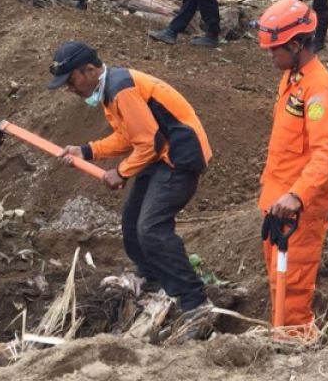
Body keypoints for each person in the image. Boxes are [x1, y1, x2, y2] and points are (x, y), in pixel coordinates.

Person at [52, 41, 212, 315]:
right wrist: (87, 151)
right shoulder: (111, 89)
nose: (70, 88)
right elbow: (130, 136)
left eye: (71, 80)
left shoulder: (120, 89)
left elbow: (148, 142)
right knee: (131, 221)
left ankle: (195, 301)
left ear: (90, 70)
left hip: (179, 157)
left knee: (151, 228)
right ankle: (149, 276)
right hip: (161, 155)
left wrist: (122, 172)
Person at [255, 0, 328, 331]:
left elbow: (324, 156)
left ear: (295, 44)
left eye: (274, 49)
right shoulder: (292, 78)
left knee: (292, 290)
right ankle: (282, 336)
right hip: (276, 204)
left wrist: (297, 196)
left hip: (297, 210)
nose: (269, 55)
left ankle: (295, 345)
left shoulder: (319, 91)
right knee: (279, 284)